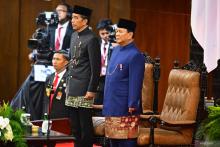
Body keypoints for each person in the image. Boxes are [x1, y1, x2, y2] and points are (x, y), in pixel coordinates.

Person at [102, 18, 145, 147]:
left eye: (120, 31)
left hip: (125, 107)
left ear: (130, 34)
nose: (117, 34)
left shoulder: (135, 55)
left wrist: (133, 103)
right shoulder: (115, 50)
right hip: (111, 103)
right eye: (116, 31)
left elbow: (135, 82)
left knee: (126, 142)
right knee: (113, 141)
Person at [65, 5, 101, 147]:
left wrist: (91, 89)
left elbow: (95, 67)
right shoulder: (74, 35)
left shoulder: (92, 39)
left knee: (84, 126)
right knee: (74, 126)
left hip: (84, 89)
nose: (72, 21)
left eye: (76, 18)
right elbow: (73, 61)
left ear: (85, 21)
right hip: (72, 86)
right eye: (72, 17)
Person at [93, 19, 113, 116]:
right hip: (97, 77)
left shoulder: (115, 45)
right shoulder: (95, 43)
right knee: (97, 101)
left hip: (109, 77)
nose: (105, 36)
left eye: (107, 33)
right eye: (102, 33)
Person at [42, 50, 69, 119]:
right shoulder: (49, 77)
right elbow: (48, 96)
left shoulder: (70, 78)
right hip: (48, 115)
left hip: (62, 117)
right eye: (53, 59)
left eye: (58, 59)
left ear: (66, 62)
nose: (54, 62)